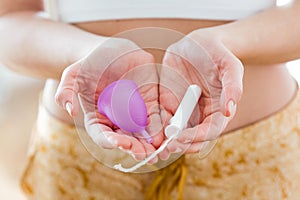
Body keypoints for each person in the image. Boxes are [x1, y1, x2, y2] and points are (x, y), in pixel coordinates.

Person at [0, 0, 300, 199]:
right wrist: (87, 53)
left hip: (252, 161)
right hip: (82, 167)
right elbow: (9, 22)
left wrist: (227, 42)